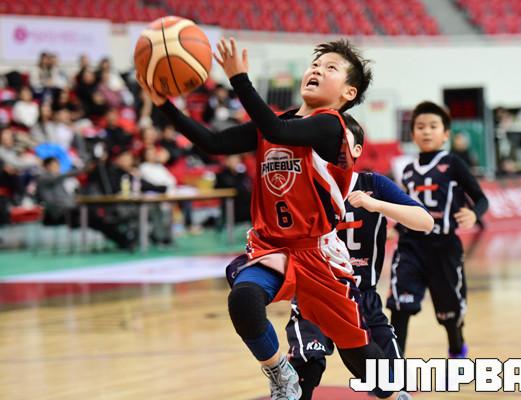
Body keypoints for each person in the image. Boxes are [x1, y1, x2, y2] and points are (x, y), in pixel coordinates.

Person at [138, 37, 407, 400]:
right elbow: (213, 144)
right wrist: (165, 105)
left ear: (348, 93)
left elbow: (279, 132)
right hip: (272, 247)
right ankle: (280, 374)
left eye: (330, 68)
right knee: (243, 300)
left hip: (318, 253)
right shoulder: (274, 124)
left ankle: (392, 393)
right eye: (315, 64)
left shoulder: (331, 127)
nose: (317, 70)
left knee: (357, 353)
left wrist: (239, 79)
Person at [286, 114, 433, 399]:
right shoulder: (304, 187)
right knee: (307, 366)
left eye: (338, 139)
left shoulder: (373, 184)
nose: (328, 145)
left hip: (363, 297)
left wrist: (376, 205)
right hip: (316, 295)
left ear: (356, 150)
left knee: (390, 381)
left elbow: (425, 221)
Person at [386, 101, 489, 359]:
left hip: (444, 247)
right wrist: (395, 228)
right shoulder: (407, 170)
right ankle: (395, 367)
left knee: (449, 314)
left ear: (445, 134)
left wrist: (473, 214)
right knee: (400, 306)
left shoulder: (453, 163)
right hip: (410, 246)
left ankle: (456, 350)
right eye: (420, 127)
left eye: (433, 126)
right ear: (413, 134)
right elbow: (407, 207)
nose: (427, 131)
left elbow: (481, 199)